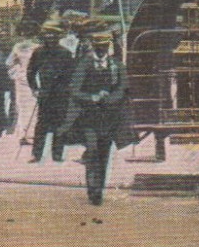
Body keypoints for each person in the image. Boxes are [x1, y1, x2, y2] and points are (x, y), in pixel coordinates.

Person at [62, 29, 131, 204]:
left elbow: (123, 88)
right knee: (92, 149)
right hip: (89, 116)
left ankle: (99, 188)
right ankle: (92, 187)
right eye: (98, 47)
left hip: (109, 117)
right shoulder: (84, 65)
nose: (101, 51)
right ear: (93, 47)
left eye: (104, 47)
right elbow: (74, 90)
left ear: (108, 47)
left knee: (104, 153)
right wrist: (91, 97)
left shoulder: (116, 65)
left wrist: (109, 98)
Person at [25, 23, 75, 163]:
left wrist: (66, 89)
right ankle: (36, 154)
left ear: (58, 37)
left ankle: (57, 154)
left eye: (53, 35)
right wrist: (34, 88)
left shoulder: (65, 53)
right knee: (41, 124)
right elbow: (30, 71)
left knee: (60, 124)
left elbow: (71, 75)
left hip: (61, 94)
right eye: (47, 34)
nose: (50, 37)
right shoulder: (38, 52)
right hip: (45, 93)